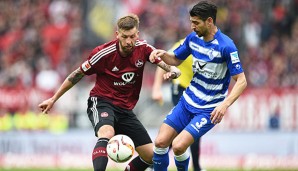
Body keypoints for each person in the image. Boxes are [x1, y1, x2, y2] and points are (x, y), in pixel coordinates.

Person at [38, 14, 181, 171]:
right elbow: (76, 75)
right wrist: (53, 99)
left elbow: (162, 60)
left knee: (150, 156)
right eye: (125, 36)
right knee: (107, 132)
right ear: (117, 34)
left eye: (132, 36)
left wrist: (172, 70)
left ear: (137, 35)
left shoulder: (144, 48)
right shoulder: (103, 53)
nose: (128, 41)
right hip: (102, 101)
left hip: (125, 109)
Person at [149, 1, 247, 171]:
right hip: (187, 101)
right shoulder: (193, 39)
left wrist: (224, 105)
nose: (192, 26)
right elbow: (175, 59)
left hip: (208, 109)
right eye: (191, 22)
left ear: (209, 21)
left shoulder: (226, 46)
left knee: (179, 146)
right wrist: (163, 54)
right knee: (160, 142)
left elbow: (242, 81)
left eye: (196, 23)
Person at [151, 39, 203, 171]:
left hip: (196, 93)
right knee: (190, 127)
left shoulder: (213, 47)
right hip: (180, 89)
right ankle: (196, 167)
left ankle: (155, 162)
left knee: (185, 130)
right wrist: (156, 88)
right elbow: (163, 61)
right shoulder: (185, 44)